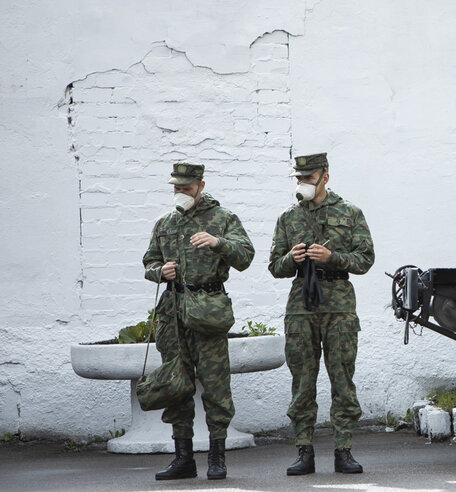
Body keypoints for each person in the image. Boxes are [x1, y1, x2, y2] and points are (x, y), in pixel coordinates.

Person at [143, 161, 255, 481]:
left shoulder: (223, 219)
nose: (180, 192)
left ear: (200, 186)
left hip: (208, 311)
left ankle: (217, 458)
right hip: (173, 313)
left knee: (216, 385)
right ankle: (183, 458)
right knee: (177, 384)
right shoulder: (165, 223)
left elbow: (245, 256)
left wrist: (218, 242)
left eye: (186, 187)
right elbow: (150, 261)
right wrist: (159, 271)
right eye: (176, 187)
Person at [269, 153, 375, 475]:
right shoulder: (289, 218)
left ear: (325, 177)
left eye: (308, 178)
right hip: (302, 305)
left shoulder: (349, 212)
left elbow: (365, 259)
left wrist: (333, 257)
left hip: (339, 304)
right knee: (303, 381)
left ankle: (343, 450)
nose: (303, 184)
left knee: (342, 378)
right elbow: (275, 266)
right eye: (299, 179)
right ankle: (304, 451)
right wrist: (292, 258)